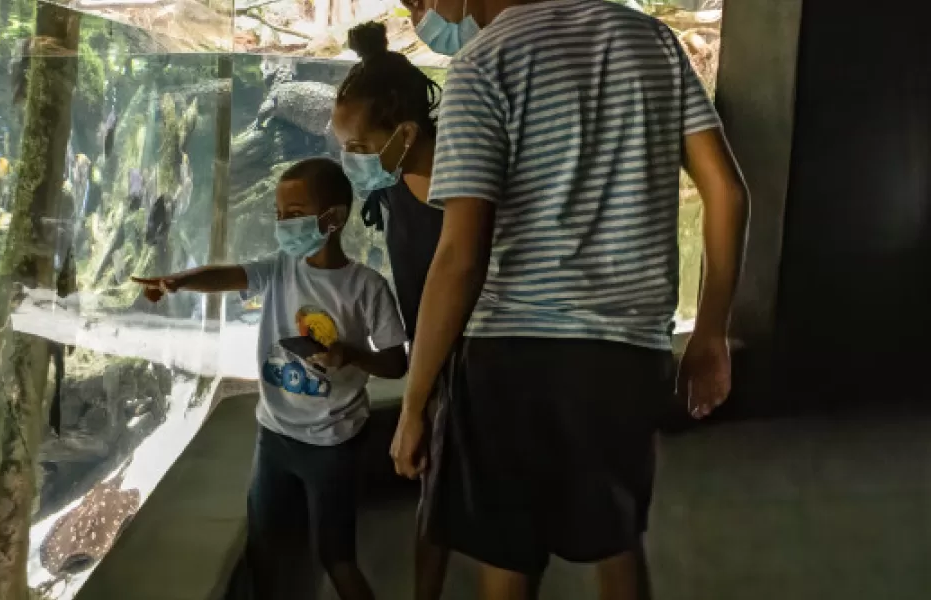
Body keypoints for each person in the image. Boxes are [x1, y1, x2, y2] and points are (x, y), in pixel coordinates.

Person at [388, 1, 750, 600]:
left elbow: (461, 256)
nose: (430, 10)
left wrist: (415, 402)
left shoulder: (483, 62)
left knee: (507, 559)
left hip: (511, 354)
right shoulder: (653, 42)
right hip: (626, 352)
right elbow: (727, 193)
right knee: (618, 544)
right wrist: (710, 332)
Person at [133, 157, 408, 600]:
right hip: (274, 435)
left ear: (333, 219)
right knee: (263, 547)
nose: (283, 224)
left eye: (294, 213)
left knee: (336, 557)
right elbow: (230, 275)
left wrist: (350, 355)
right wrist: (177, 281)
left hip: (333, 441)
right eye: (279, 214)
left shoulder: (366, 286)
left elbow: (396, 363)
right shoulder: (282, 268)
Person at [329, 20, 459, 600]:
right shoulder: (395, 177)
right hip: (435, 362)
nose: (350, 159)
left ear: (405, 132)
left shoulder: (461, 189)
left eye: (358, 147)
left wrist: (416, 400)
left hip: (477, 360)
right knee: (434, 493)